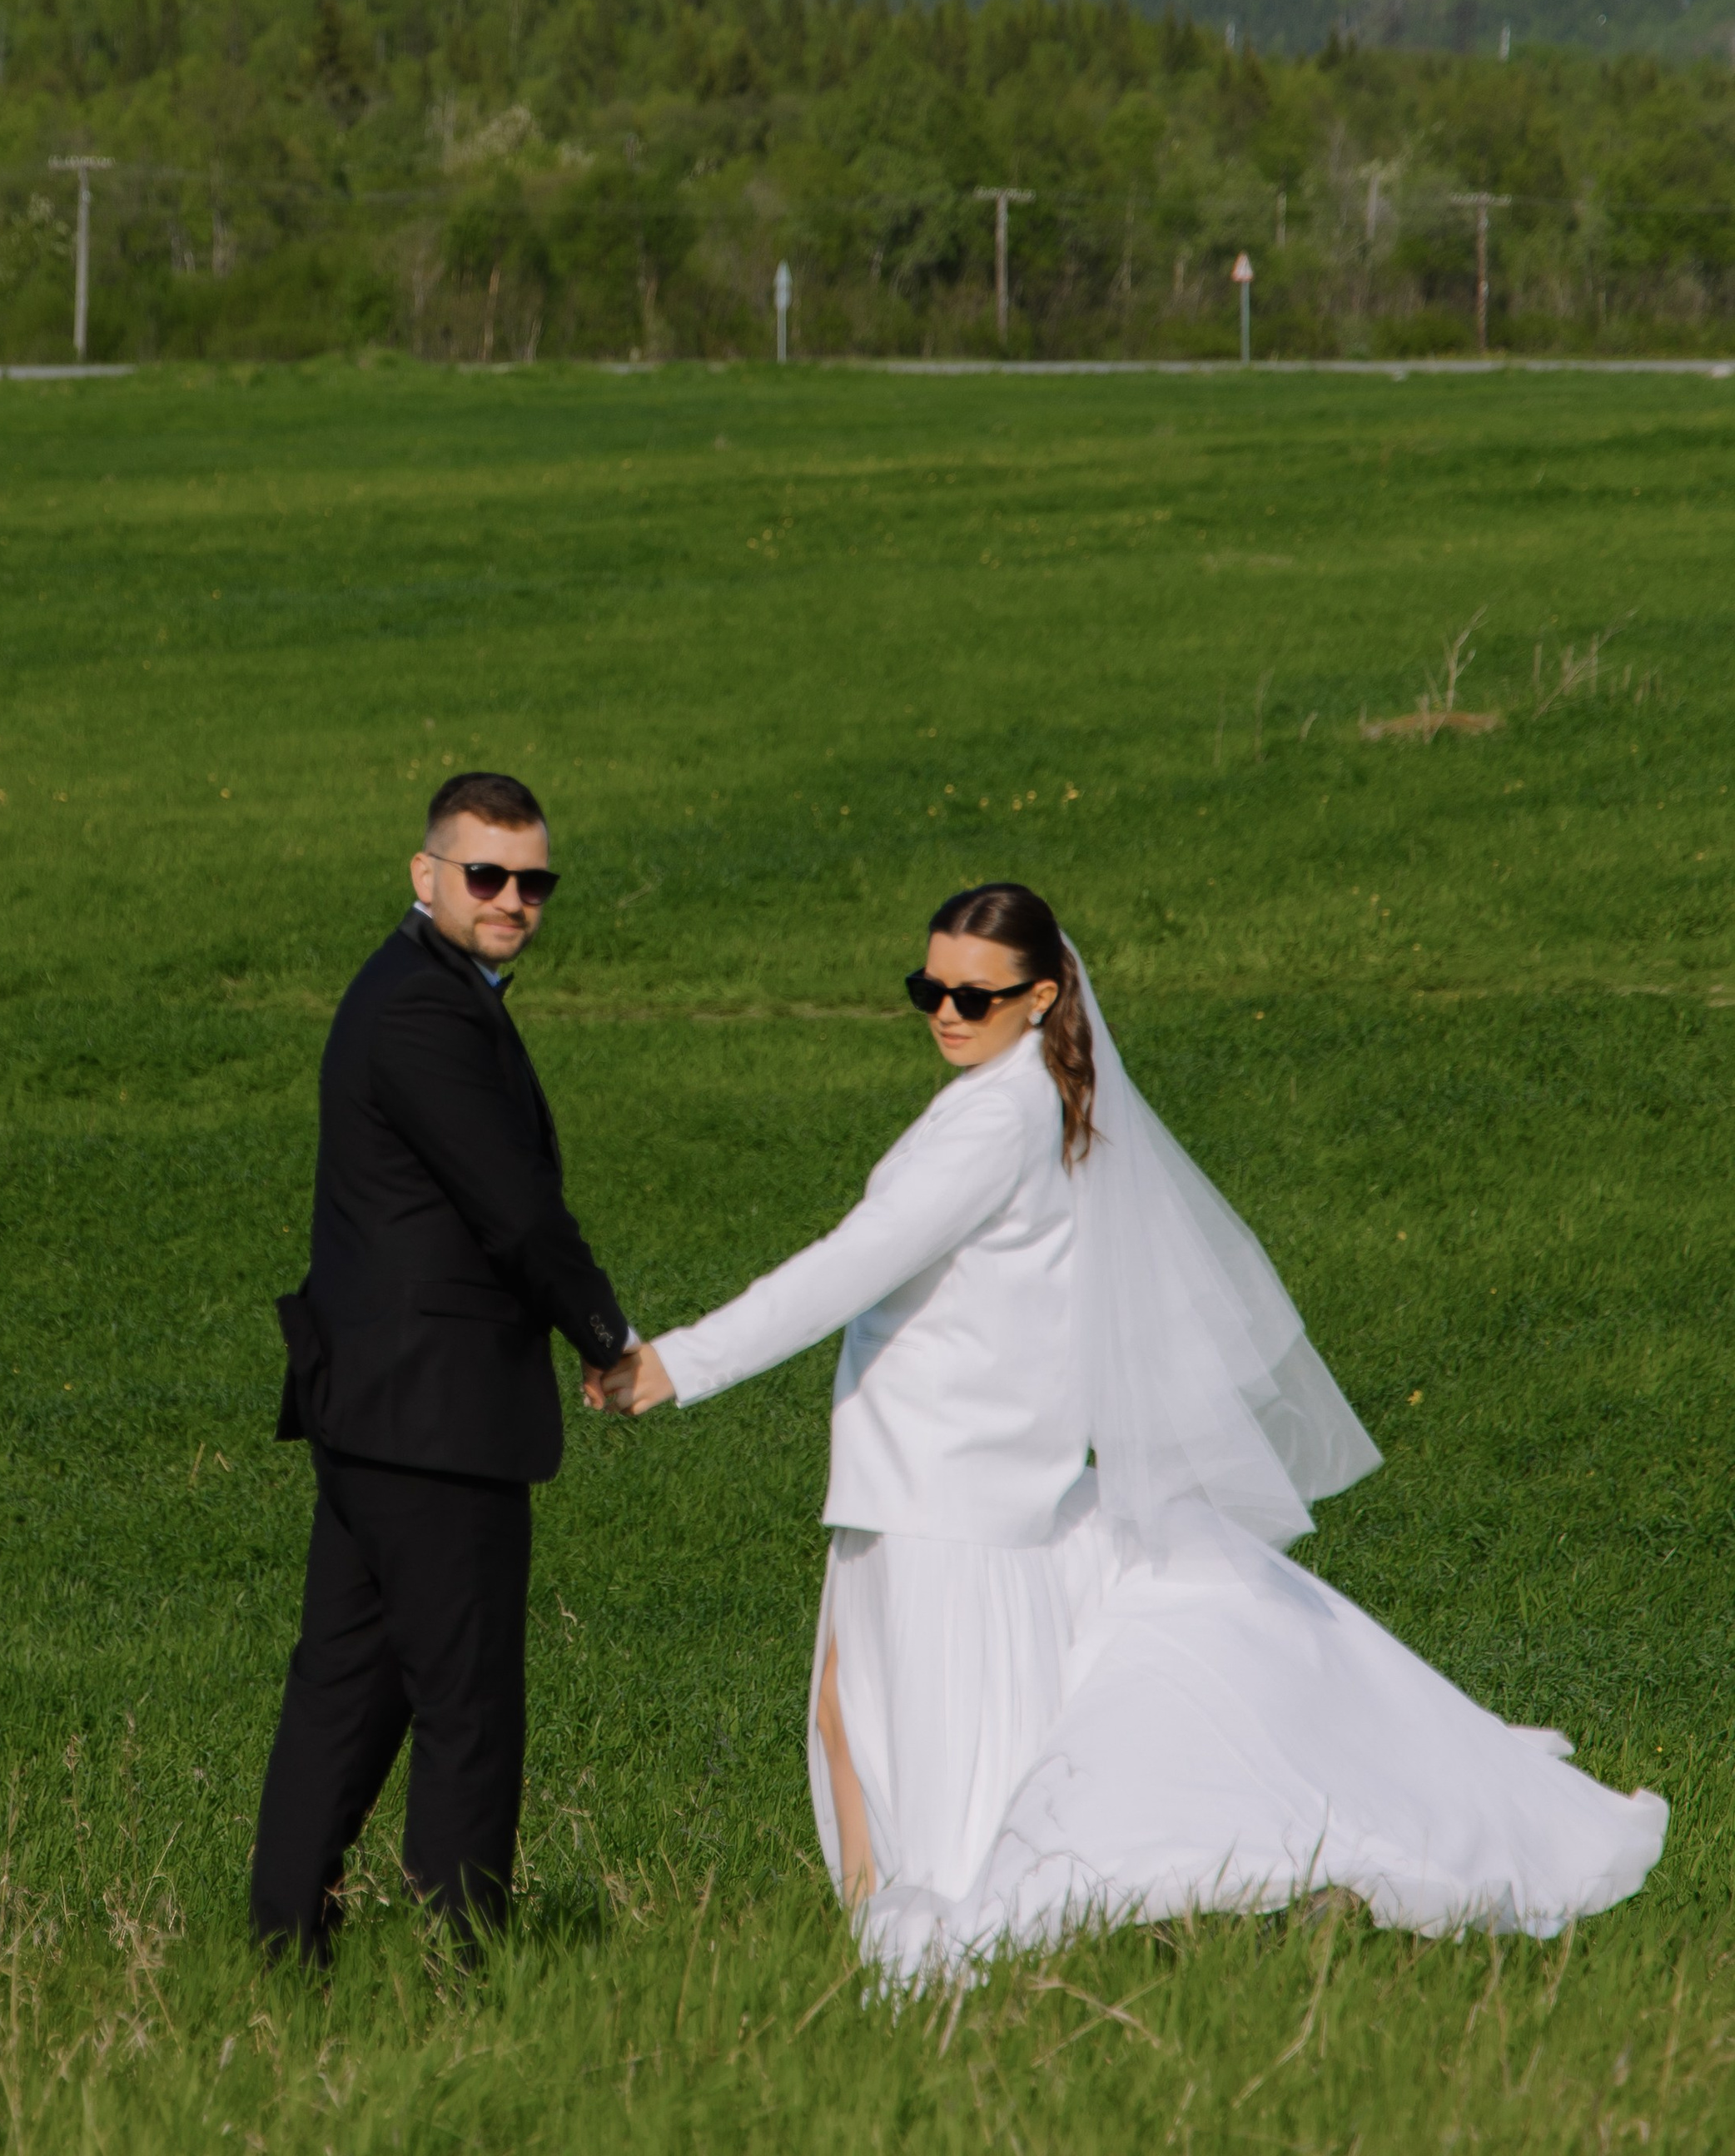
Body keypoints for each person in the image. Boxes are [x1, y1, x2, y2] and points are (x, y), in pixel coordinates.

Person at [603, 881, 1665, 1980]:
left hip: (945, 1489)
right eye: (929, 988)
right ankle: (889, 1939)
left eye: (977, 994)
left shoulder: (999, 1119)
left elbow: (848, 1266)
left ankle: (919, 1950)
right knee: (846, 1708)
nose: (947, 1012)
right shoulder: (1020, 1095)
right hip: (935, 1473)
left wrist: (673, 1365)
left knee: (878, 1725)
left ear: (1042, 995)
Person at [252, 772, 630, 1964]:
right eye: (487, 875)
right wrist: (608, 1336)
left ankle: (281, 1953)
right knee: (468, 1706)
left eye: (534, 881)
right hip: (435, 1416)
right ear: (427, 878)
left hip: (379, 1409)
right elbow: (513, 1212)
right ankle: (466, 1965)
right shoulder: (423, 1009)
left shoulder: (431, 990)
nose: (513, 898)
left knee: (349, 1692)